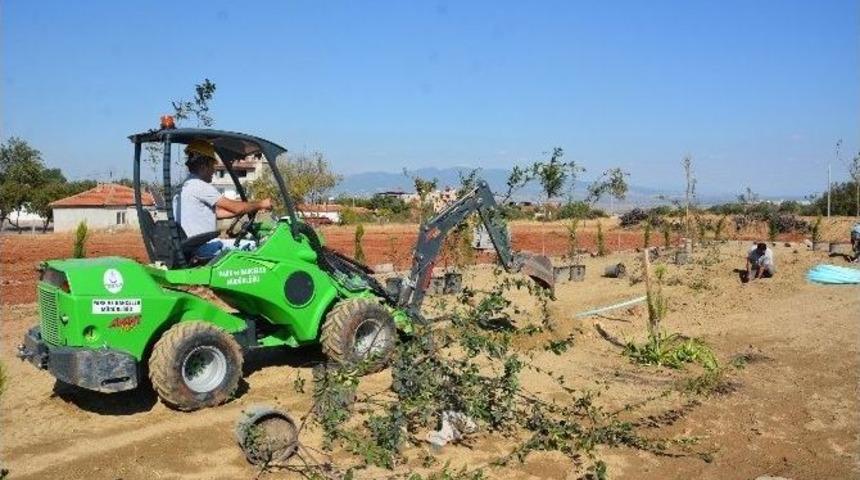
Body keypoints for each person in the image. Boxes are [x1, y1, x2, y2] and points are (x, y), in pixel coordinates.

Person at [173, 139, 273, 259]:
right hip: (202, 248)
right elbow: (236, 208)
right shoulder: (199, 186)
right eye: (212, 165)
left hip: (193, 246)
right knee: (255, 246)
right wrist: (261, 204)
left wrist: (247, 210)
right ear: (204, 166)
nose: (214, 170)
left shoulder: (185, 186)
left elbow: (216, 213)